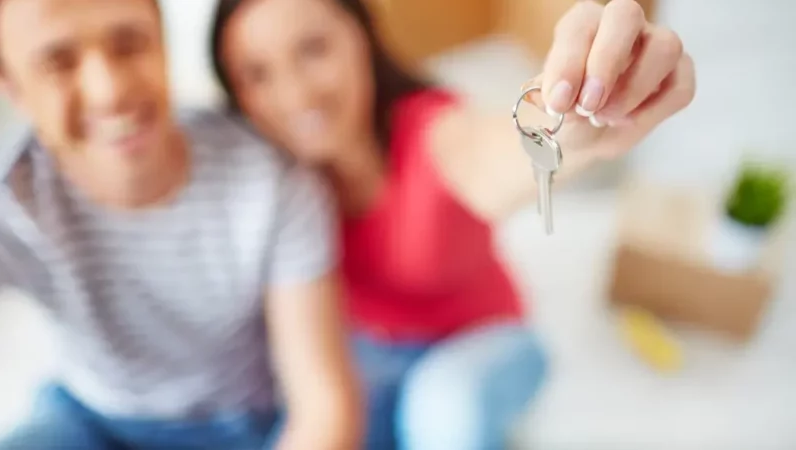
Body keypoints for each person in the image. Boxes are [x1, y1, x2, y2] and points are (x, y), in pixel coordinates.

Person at [210, 0, 695, 449]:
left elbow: (496, 150)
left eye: (313, 49)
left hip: (482, 346)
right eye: (256, 74)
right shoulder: (270, 181)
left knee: (445, 405)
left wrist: (571, 117)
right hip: (372, 355)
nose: (295, 92)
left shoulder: (436, 134)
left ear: (362, 35)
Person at [0, 0, 362, 448]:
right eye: (57, 62)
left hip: (243, 427)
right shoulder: (9, 202)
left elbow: (322, 403)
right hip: (92, 421)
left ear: (164, 45)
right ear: (10, 84)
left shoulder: (269, 180)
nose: (109, 90)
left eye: (130, 44)